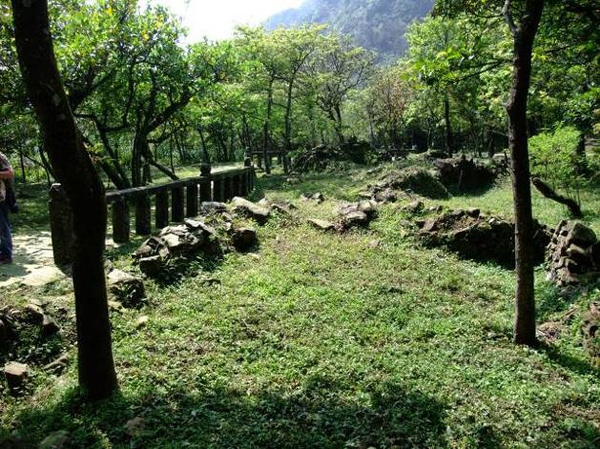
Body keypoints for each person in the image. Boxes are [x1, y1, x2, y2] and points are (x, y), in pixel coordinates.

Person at [0, 151, 14, 264]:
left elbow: (10, 173)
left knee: (3, 227)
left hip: (0, 198)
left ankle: (6, 255)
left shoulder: (0, 156)